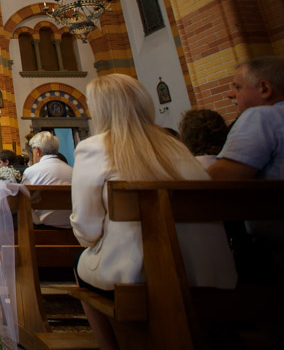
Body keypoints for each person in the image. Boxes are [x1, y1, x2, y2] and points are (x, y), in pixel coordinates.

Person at [71, 74, 236, 350]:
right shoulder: (179, 147)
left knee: (80, 262)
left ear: (100, 109)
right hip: (209, 272)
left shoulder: (93, 147)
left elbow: (86, 230)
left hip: (138, 275)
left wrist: (95, 244)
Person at [209, 56, 284, 181]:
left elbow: (220, 181)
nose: (230, 94)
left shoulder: (261, 116)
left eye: (238, 87)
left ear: (264, 88)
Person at [22, 131, 73, 228]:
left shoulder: (31, 171)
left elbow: (24, 200)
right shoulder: (71, 170)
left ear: (37, 151)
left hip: (42, 228)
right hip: (71, 226)